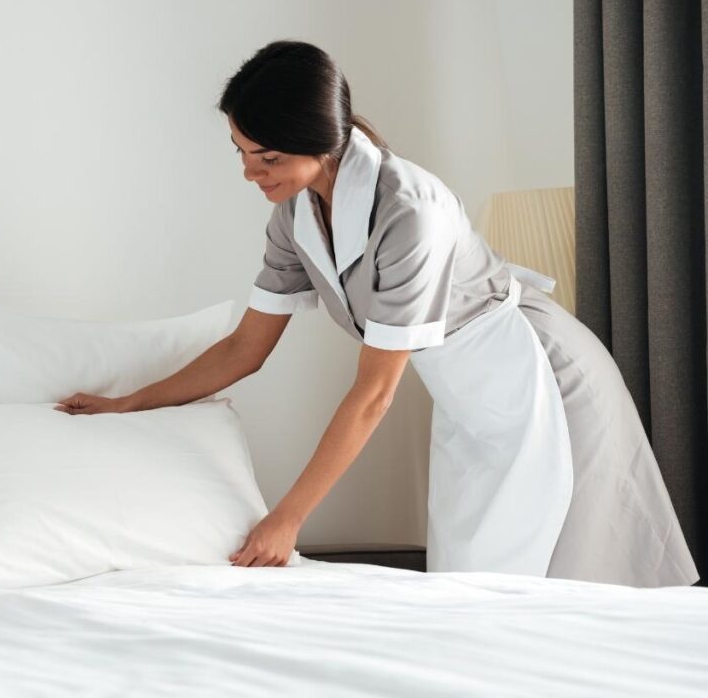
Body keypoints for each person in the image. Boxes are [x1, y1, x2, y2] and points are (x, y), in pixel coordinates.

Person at [55, 40, 698, 587]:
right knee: (474, 580)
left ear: (320, 142)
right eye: (242, 153)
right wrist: (128, 404)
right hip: (470, 396)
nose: (251, 173)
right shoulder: (295, 217)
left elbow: (371, 395)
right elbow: (243, 351)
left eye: (269, 157)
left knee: (565, 578)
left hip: (540, 381)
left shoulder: (409, 211)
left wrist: (288, 518)